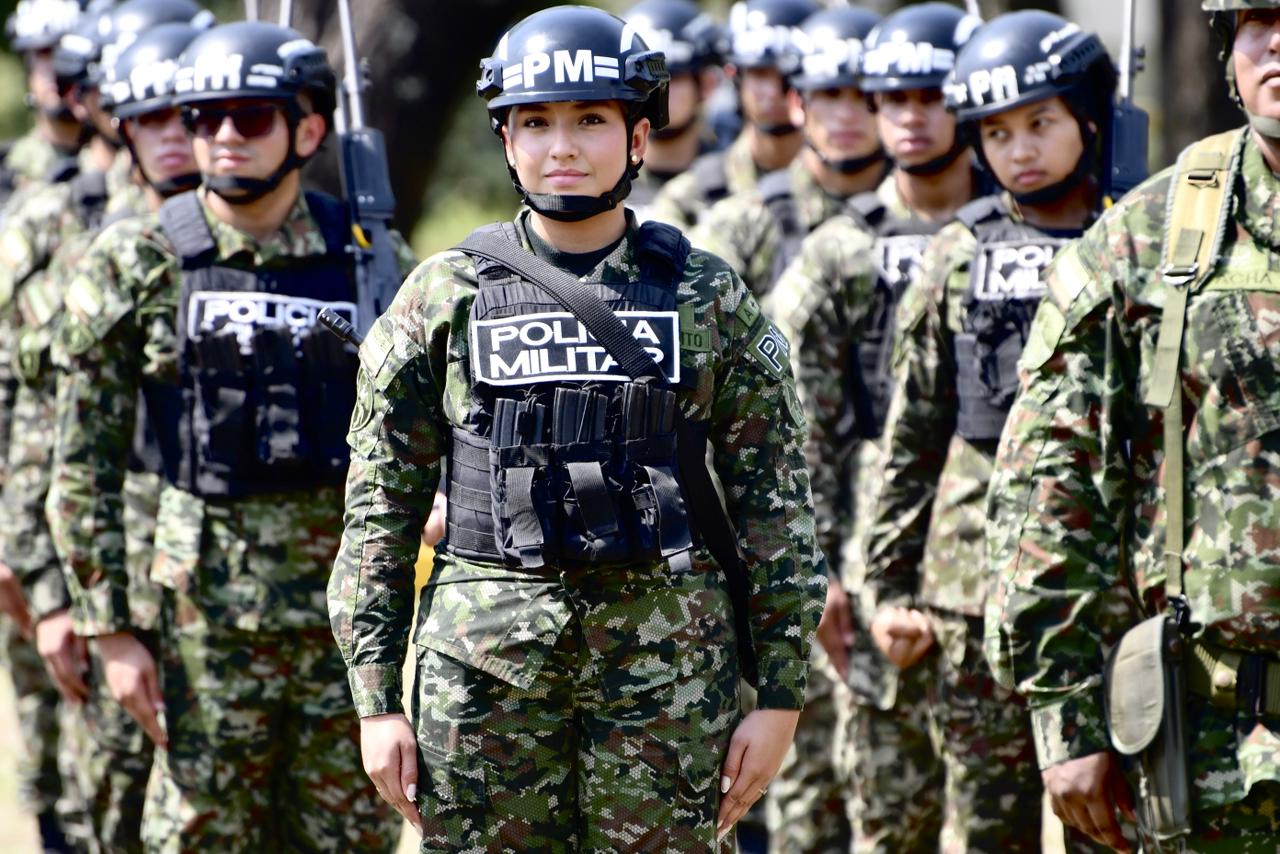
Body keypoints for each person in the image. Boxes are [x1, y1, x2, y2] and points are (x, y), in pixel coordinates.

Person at [330, 6, 826, 852]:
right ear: (507, 139)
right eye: (536, 123)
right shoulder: (442, 296)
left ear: (639, 136)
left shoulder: (706, 296)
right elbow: (379, 511)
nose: (563, 145)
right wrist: (377, 701)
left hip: (667, 680)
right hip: (482, 679)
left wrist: (778, 698)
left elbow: (775, 507)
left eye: (591, 119)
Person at [46, 20, 413, 852]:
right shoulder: (138, 260)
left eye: (249, 118)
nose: (219, 138)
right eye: (203, 117)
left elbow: (423, 439)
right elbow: (83, 464)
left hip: (342, 631)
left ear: (308, 130)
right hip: (201, 629)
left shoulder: (366, 258)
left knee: (347, 840)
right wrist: (109, 631)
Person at [984, 2, 1280, 851]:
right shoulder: (1148, 239)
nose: (1276, 41)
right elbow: (1052, 474)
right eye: (1254, 20)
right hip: (1211, 745)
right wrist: (1067, 720)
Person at [862, 11, 1119, 851]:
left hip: (1109, 594)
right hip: (969, 597)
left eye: (1039, 122)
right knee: (984, 827)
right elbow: (914, 432)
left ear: (1087, 116)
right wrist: (888, 585)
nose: (1021, 150)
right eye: (997, 131)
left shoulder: (1135, 243)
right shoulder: (958, 253)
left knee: (1117, 823)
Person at [764, 4, 983, 851]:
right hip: (867, 558)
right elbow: (793, 427)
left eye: (932, 96)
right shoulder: (841, 250)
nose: (912, 118)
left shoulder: (1036, 234)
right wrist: (813, 564)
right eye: (893, 98)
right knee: (872, 809)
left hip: (998, 551)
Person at [691, 6, 885, 298]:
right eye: (830, 93)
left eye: (863, 95)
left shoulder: (935, 210)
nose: (846, 115)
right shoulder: (742, 222)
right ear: (798, 103)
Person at [650, 0, 816, 231]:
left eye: (788, 75)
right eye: (759, 73)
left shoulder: (859, 183)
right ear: (734, 76)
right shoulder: (689, 196)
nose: (775, 91)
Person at [622, 0, 722, 222]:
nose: (656, 90)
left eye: (670, 77)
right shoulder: (602, 186)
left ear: (707, 84)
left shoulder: (734, 183)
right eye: (642, 80)